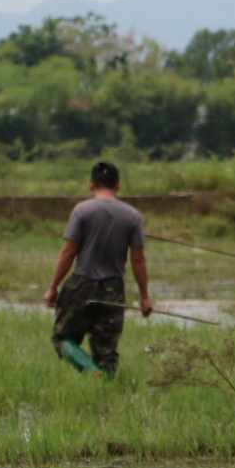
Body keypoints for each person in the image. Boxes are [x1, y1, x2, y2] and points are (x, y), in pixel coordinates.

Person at [44, 160, 151, 377]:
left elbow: (68, 252)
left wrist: (53, 287)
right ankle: (106, 394)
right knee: (107, 352)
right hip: (113, 288)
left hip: (82, 284)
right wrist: (145, 297)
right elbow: (138, 261)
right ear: (118, 185)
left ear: (91, 185)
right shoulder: (133, 216)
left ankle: (91, 372)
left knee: (62, 339)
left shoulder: (81, 211)